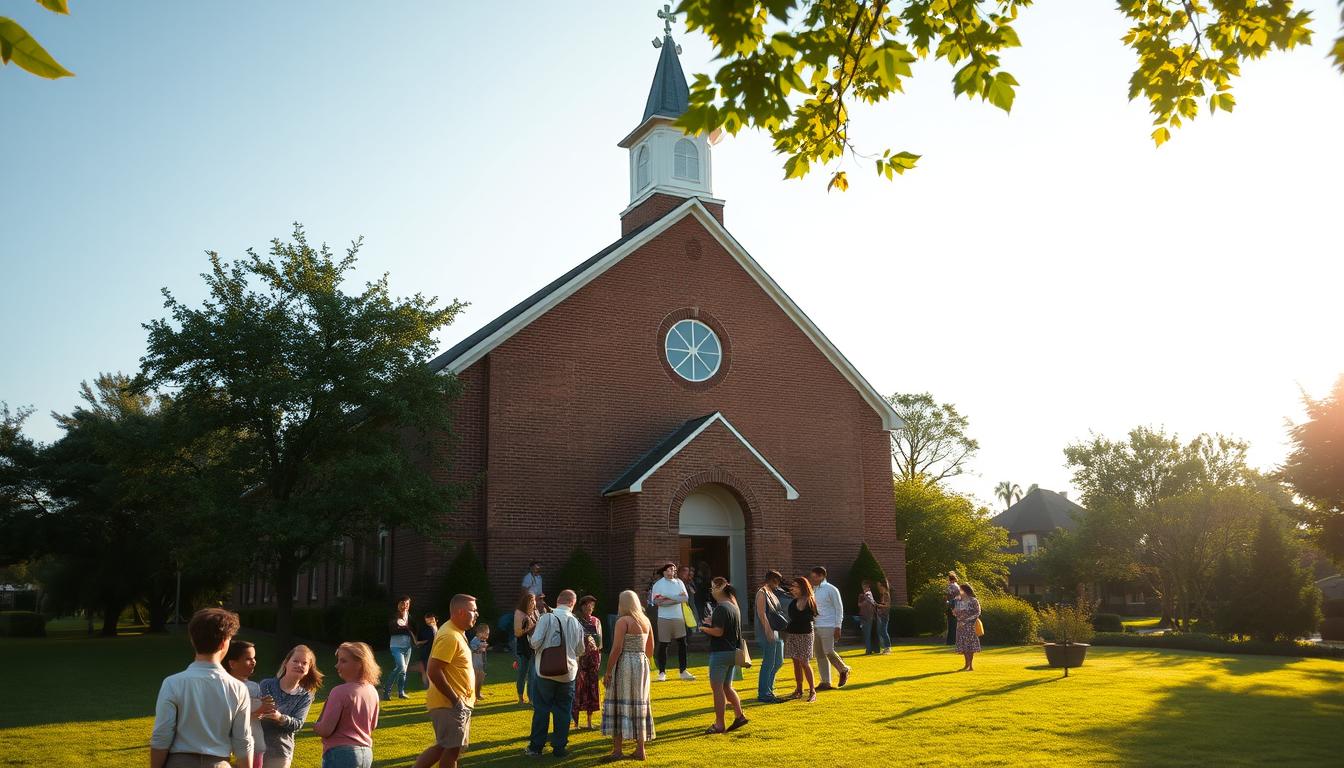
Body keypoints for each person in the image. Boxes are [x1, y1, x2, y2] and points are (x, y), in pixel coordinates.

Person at [150, 608, 254, 768]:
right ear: (223, 643)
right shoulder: (238, 688)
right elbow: (243, 740)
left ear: (192, 640)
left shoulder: (173, 683)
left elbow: (162, 735)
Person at [413, 594, 479, 768]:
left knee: (445, 747)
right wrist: (456, 700)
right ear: (460, 612)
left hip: (453, 702)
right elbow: (434, 670)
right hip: (450, 704)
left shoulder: (456, 632)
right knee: (451, 749)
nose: (477, 614)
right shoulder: (450, 635)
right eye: (473, 610)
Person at [525, 589, 586, 758]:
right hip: (568, 673)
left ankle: (536, 747)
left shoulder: (547, 618)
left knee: (542, 709)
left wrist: (530, 637)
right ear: (572, 603)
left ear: (558, 600)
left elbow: (535, 643)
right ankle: (559, 748)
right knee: (563, 710)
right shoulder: (576, 622)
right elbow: (581, 650)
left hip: (545, 671)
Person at [601, 590, 655, 762]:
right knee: (639, 703)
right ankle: (640, 750)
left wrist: (608, 671)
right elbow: (650, 649)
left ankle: (617, 750)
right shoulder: (645, 620)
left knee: (619, 701)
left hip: (625, 663)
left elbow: (616, 648)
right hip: (642, 662)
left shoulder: (623, 621)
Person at [313, 642, 381, 768]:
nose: (337, 665)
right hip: (366, 754)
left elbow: (325, 730)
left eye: (343, 661)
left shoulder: (339, 692)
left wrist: (315, 726)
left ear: (360, 664)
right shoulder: (372, 691)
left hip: (340, 754)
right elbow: (373, 725)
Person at [258, 645, 322, 768]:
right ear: (286, 663)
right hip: (255, 745)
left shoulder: (306, 696)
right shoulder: (266, 685)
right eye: (295, 661)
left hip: (280, 751)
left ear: (309, 669)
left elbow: (298, 724)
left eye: (304, 663)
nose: (299, 665)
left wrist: (280, 717)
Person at [700, 581, 748, 735]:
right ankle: (739, 715)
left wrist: (704, 628)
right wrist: (711, 624)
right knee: (727, 687)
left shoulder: (721, 608)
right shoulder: (733, 606)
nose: (711, 590)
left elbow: (719, 632)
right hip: (732, 652)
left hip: (720, 653)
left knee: (718, 689)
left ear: (720, 589)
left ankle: (719, 724)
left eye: (713, 587)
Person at [223, 639, 271, 767]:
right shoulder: (226, 686)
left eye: (254, 658)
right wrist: (260, 708)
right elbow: (229, 717)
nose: (254, 661)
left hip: (255, 741)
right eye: (248, 659)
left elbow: (258, 713)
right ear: (232, 664)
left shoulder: (254, 686)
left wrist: (265, 709)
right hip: (230, 746)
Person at [649, 562, 694, 682]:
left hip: (678, 617)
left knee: (682, 644)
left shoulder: (679, 583)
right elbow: (657, 602)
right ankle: (662, 672)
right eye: (669, 570)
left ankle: (683, 671)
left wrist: (668, 598)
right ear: (664, 571)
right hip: (664, 618)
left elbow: (685, 598)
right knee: (663, 645)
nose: (672, 572)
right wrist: (676, 598)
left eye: (673, 570)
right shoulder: (658, 585)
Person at [808, 566, 851, 689]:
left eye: (815, 577)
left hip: (829, 625)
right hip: (815, 625)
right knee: (819, 654)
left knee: (828, 651)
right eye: (812, 577)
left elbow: (839, 608)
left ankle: (843, 669)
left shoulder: (831, 589)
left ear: (822, 576)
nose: (813, 579)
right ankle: (825, 681)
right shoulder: (812, 590)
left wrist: (838, 626)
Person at [753, 570, 788, 703]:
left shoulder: (771, 593)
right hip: (766, 631)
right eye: (777, 581)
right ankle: (764, 693)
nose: (778, 584)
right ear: (773, 580)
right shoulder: (762, 593)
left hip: (775, 631)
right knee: (768, 662)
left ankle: (769, 688)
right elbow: (762, 614)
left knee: (778, 661)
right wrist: (768, 631)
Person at [571, 595, 603, 730]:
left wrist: (599, 656)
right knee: (578, 689)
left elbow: (600, 642)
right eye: (587, 605)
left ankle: (589, 722)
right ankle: (576, 723)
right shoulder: (575, 620)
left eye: (592, 606)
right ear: (582, 606)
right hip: (580, 658)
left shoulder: (596, 621)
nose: (590, 608)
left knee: (592, 688)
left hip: (593, 658)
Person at [784, 577, 818, 703]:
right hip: (793, 633)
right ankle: (798, 689)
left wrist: (797, 619)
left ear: (803, 587)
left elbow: (809, 617)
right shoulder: (793, 602)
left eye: (795, 586)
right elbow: (793, 617)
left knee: (804, 662)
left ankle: (812, 690)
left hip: (805, 634)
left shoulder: (809, 601)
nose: (793, 588)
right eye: (792, 586)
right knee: (795, 662)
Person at [384, 596, 416, 701]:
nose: (406, 606)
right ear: (399, 604)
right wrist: (405, 629)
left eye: (408, 604)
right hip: (396, 646)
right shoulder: (394, 615)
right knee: (400, 667)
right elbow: (392, 630)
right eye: (404, 603)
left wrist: (407, 629)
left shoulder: (409, 617)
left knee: (404, 671)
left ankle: (401, 693)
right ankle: (387, 691)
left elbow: (413, 629)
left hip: (407, 647)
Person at [513, 591, 540, 705]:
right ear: (525, 602)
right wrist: (530, 627)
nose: (533, 603)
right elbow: (517, 633)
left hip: (534, 646)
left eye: (534, 601)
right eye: (531, 601)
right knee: (523, 672)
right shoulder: (519, 613)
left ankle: (531, 698)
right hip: (523, 646)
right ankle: (520, 696)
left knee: (533, 673)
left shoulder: (536, 612)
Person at [953, 582, 983, 671]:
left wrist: (967, 620)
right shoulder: (959, 601)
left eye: (960, 590)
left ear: (965, 590)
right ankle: (966, 665)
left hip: (970, 625)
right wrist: (955, 612)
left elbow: (977, 612)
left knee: (970, 646)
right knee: (964, 646)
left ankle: (970, 665)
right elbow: (957, 613)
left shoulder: (973, 600)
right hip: (960, 625)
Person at [416, 613, 440, 690]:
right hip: (427, 653)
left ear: (436, 620)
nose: (429, 622)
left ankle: (435, 686)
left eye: (431, 620)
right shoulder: (424, 630)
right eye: (427, 621)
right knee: (427, 670)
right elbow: (418, 642)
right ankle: (428, 686)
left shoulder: (441, 629)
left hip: (438, 653)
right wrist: (424, 642)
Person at [469, 624, 490, 701]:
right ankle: (474, 695)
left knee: (481, 679)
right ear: (479, 633)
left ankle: (478, 693)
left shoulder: (483, 641)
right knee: (476, 680)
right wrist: (480, 648)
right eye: (486, 634)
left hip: (481, 664)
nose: (487, 636)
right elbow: (473, 650)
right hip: (475, 664)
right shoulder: (474, 641)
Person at [857, 579, 878, 655]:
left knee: (869, 633)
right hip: (865, 616)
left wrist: (865, 600)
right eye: (864, 587)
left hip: (869, 617)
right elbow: (859, 605)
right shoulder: (862, 596)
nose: (865, 589)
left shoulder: (868, 595)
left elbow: (873, 603)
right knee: (867, 633)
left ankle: (870, 649)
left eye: (866, 587)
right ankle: (870, 649)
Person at [874, 577, 893, 655]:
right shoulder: (883, 595)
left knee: (883, 631)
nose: (878, 588)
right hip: (882, 615)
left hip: (885, 615)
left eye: (879, 586)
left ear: (883, 586)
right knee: (882, 631)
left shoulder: (886, 594)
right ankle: (886, 648)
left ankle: (888, 648)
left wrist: (878, 605)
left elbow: (887, 605)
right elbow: (883, 604)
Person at [945, 571, 961, 646]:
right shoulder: (955, 586)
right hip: (956, 606)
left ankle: (951, 641)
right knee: (954, 624)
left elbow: (948, 597)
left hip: (952, 606)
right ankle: (953, 641)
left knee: (951, 624)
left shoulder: (950, 586)